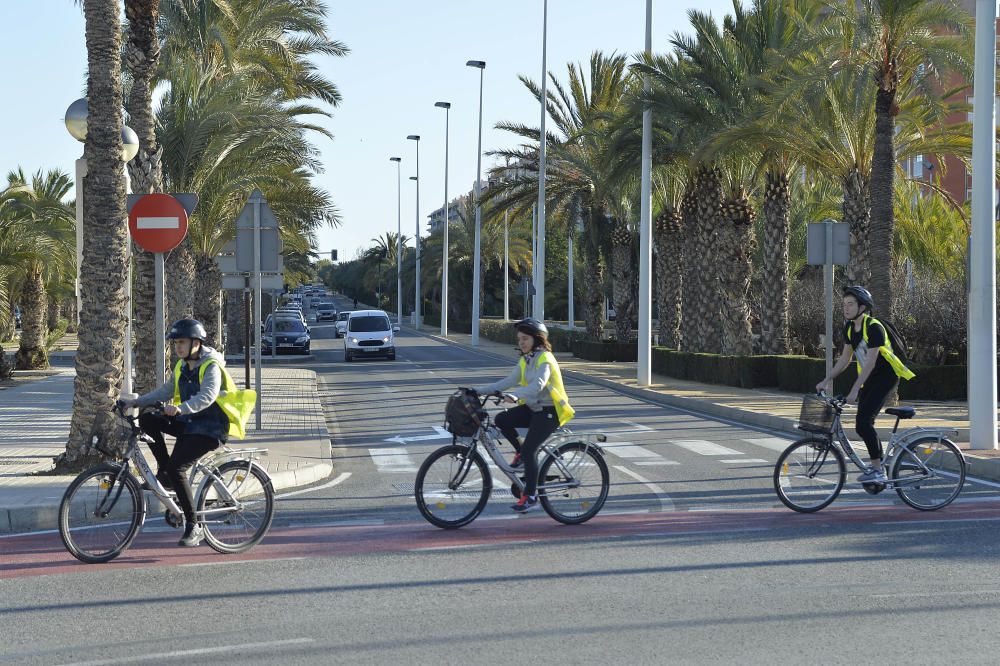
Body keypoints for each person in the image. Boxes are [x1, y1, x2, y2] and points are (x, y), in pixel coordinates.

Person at [121, 318, 230, 546]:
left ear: (196, 343)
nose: (178, 347)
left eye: (182, 342)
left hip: (211, 427)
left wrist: (181, 408)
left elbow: (208, 396)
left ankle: (193, 526)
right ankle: (166, 475)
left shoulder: (211, 365)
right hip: (189, 422)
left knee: (178, 467)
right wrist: (137, 402)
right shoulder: (182, 366)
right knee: (149, 419)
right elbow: (166, 391)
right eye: (176, 343)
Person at [474, 318, 575, 513]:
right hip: (534, 408)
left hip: (549, 412)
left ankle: (530, 495)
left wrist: (515, 395)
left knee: (531, 451)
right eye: (519, 338)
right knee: (502, 419)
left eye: (525, 338)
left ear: (537, 339)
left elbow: (539, 385)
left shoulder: (545, 358)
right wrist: (477, 391)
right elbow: (507, 382)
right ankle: (520, 452)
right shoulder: (525, 360)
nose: (521, 342)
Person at [816, 286, 915, 483]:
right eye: (844, 304)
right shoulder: (850, 328)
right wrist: (826, 380)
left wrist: (854, 390)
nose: (846, 308)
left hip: (886, 377)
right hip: (870, 378)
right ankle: (878, 464)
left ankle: (878, 470)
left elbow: (870, 362)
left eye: (850, 304)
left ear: (863, 306)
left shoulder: (874, 327)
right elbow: (845, 359)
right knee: (864, 424)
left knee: (863, 423)